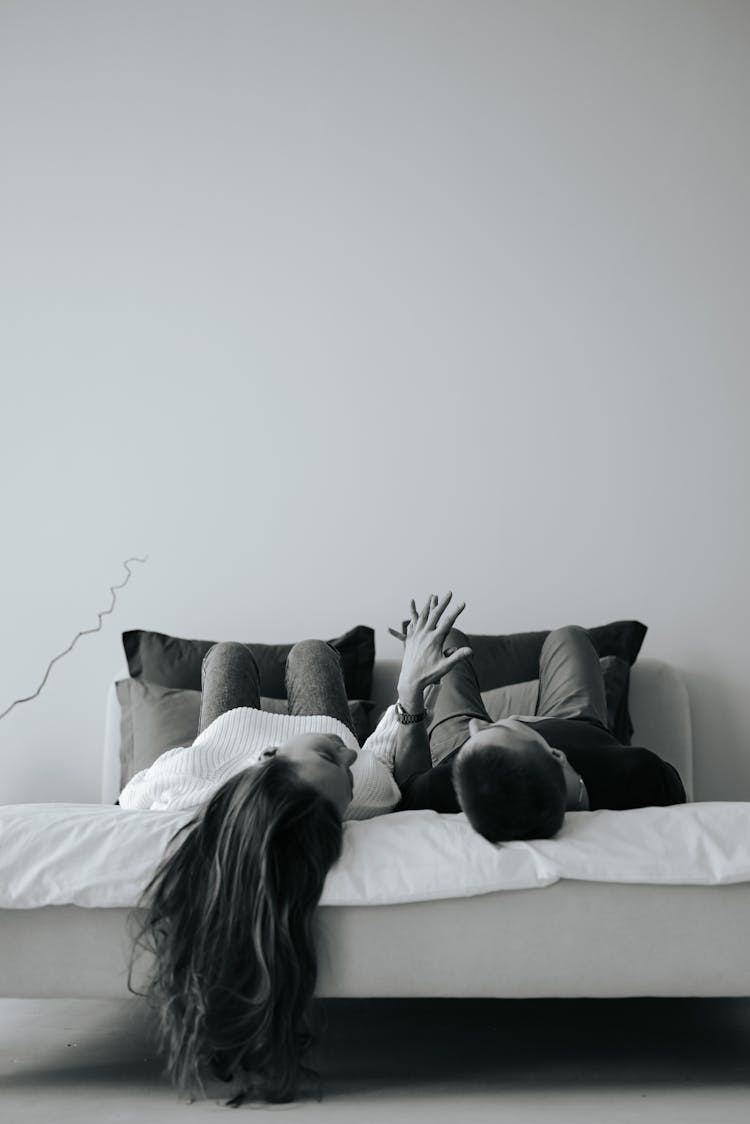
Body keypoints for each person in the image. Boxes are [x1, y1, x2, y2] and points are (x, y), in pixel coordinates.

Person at [126, 637, 407, 1105]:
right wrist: (405, 703)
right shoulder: (364, 797)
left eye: (339, 765)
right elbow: (378, 754)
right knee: (314, 653)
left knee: (228, 655)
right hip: (323, 724)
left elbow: (134, 793)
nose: (350, 758)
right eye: (342, 769)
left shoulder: (191, 788)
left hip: (226, 733)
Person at [367, 592, 686, 841]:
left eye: (481, 732)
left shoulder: (447, 785)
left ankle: (456, 659)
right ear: (557, 756)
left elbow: (410, 790)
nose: (480, 723)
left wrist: (410, 690)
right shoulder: (640, 773)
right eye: (504, 727)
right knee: (569, 636)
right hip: (579, 726)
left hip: (454, 747)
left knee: (447, 641)